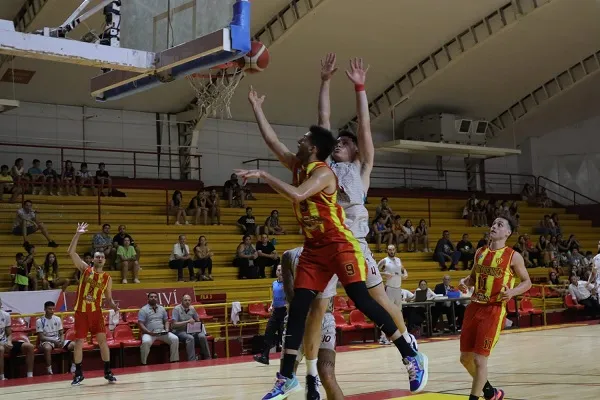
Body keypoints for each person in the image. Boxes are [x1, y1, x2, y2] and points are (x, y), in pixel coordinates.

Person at [239, 61, 427, 398]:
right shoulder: (311, 164)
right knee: (305, 308)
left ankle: (409, 350)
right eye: (335, 141)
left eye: (345, 141)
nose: (339, 142)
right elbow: (304, 130)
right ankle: (295, 374)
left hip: (347, 242)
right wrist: (262, 105)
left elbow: (355, 130)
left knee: (370, 299)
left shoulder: (349, 168)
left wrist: (359, 87)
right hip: (316, 247)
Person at [458, 214, 532, 400]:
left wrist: (512, 292)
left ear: (508, 232)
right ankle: (490, 392)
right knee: (465, 359)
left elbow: (527, 282)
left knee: (479, 359)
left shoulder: (513, 256)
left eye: (499, 225)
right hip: (474, 307)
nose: (494, 226)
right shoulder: (480, 252)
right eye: (493, 223)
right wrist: (464, 282)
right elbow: (472, 278)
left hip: (493, 310)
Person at [67, 222, 118, 386]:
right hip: (81, 312)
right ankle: (78, 374)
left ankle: (108, 371)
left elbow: (108, 298)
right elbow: (71, 252)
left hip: (96, 313)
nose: (100, 258)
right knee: (79, 342)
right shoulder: (85, 269)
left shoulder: (107, 278)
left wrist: (114, 306)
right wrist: (77, 234)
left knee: (103, 341)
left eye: (102, 257)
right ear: (93, 259)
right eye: (97, 257)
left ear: (105, 260)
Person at [253, 265, 287, 365]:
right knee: (268, 332)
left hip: (285, 311)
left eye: (282, 270)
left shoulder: (288, 283)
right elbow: (274, 297)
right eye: (278, 270)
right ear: (276, 272)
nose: (280, 272)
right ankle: (264, 356)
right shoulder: (274, 283)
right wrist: (272, 305)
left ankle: (291, 356)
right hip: (276, 312)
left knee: (283, 335)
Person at [377, 244, 408, 344]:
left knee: (398, 313)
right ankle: (383, 337)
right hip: (389, 289)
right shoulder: (384, 260)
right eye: (390, 249)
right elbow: (375, 272)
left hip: (398, 289)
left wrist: (405, 274)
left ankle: (401, 335)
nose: (391, 251)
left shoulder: (398, 260)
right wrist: (384, 274)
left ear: (395, 250)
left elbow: (403, 269)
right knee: (387, 313)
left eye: (393, 249)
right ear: (387, 250)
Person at [36, 301, 75, 375]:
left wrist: (62, 341)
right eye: (50, 309)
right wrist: (53, 340)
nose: (52, 311)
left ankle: (74, 366)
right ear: (45, 309)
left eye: (53, 309)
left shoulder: (57, 319)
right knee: (47, 348)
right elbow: (41, 337)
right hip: (47, 341)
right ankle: (49, 370)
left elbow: (61, 333)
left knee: (74, 345)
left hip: (57, 340)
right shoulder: (40, 321)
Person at [171, 294, 211, 361]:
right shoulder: (176, 309)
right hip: (180, 331)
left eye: (189, 300)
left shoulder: (192, 308)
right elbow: (174, 324)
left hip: (192, 330)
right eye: (185, 300)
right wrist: (187, 322)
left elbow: (198, 320)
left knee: (202, 336)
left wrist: (197, 325)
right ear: (182, 301)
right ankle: (192, 360)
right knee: (190, 338)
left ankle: (208, 357)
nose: (187, 302)